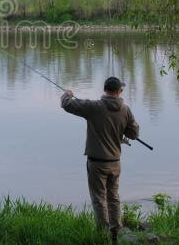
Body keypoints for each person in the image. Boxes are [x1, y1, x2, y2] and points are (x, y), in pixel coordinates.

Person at [60, 76, 139, 242]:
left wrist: (67, 94)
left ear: (104, 89)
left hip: (96, 163)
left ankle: (103, 234)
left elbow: (66, 104)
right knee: (114, 197)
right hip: (115, 163)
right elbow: (133, 134)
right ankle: (116, 230)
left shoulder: (94, 107)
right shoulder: (125, 110)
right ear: (119, 91)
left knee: (98, 199)